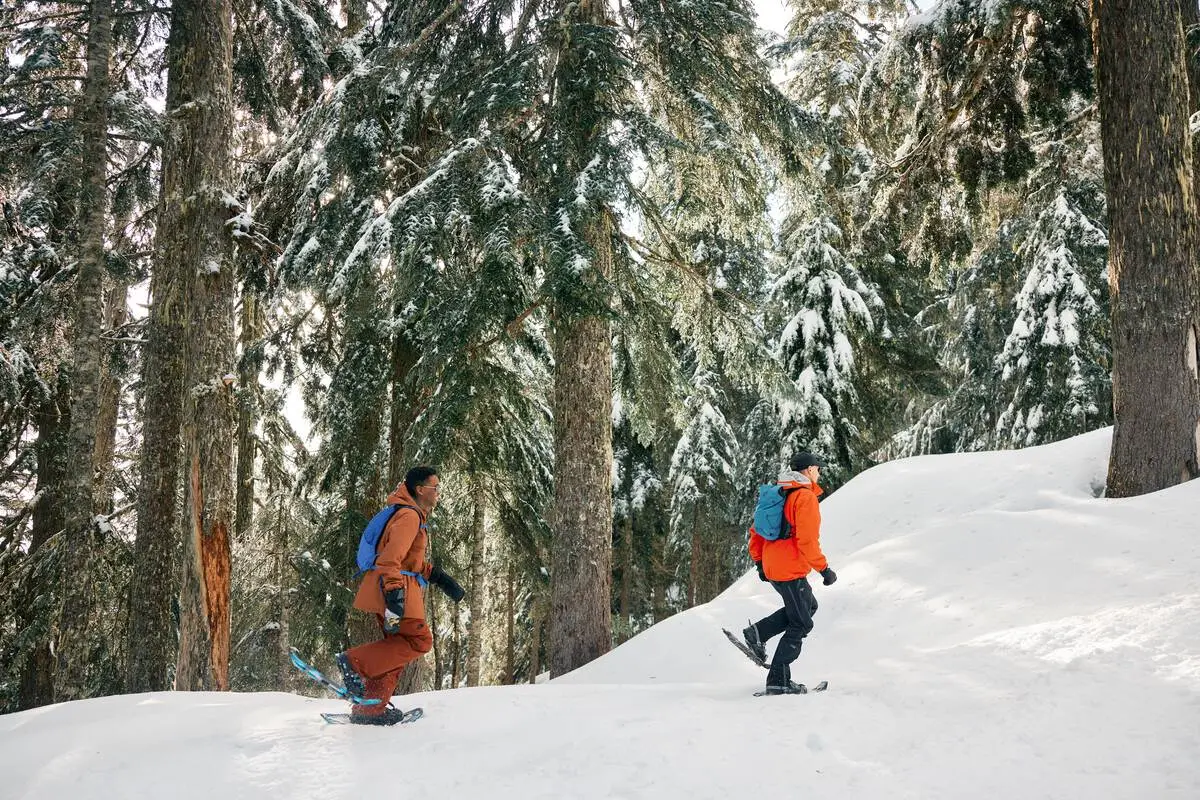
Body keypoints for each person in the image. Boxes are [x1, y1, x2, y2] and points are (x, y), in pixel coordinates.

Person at [335, 466, 465, 724]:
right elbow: (390, 560)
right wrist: (395, 596)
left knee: (393, 650)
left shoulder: (411, 515)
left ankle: (369, 710)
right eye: (435, 487)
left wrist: (439, 578)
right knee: (419, 642)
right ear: (420, 489)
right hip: (397, 592)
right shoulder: (409, 517)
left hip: (392, 590)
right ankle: (352, 662)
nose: (438, 492)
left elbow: (409, 561)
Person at [742, 451, 837, 695]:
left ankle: (758, 633)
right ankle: (779, 680)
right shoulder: (804, 497)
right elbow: (807, 541)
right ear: (807, 470)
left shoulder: (779, 493)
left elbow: (756, 532)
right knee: (802, 622)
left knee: (808, 606)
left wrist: (761, 562)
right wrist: (824, 569)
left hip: (774, 567)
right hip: (790, 569)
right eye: (818, 468)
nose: (819, 472)